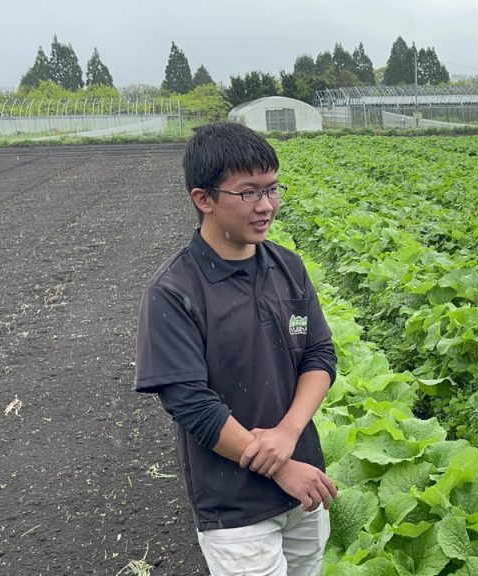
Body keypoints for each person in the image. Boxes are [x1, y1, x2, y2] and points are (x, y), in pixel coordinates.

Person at [135, 122, 338, 576]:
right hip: (233, 504)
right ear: (203, 199)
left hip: (305, 480)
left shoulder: (288, 267)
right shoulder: (174, 290)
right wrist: (280, 468)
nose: (266, 205)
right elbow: (191, 402)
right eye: (248, 193)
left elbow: (319, 356)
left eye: (272, 189)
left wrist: (288, 436)